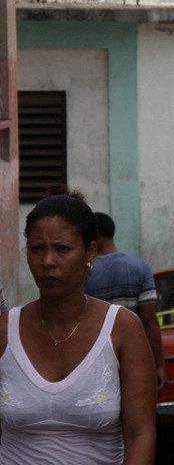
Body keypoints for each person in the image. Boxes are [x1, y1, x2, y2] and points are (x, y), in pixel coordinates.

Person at [1, 189, 156, 464]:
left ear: (91, 252)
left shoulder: (122, 329)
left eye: (62, 249)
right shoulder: (5, 331)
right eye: (37, 249)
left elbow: (140, 435)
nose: (47, 262)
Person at [85, 212, 165, 392]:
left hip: (95, 361)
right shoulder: (140, 268)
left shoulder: (83, 273)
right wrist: (159, 364)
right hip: (133, 357)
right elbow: (148, 318)